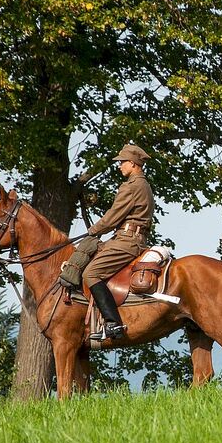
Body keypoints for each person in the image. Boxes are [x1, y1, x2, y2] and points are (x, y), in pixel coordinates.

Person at [83, 144, 155, 339]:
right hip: (133, 237)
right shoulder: (145, 184)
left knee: (91, 273)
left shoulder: (131, 186)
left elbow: (113, 217)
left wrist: (93, 230)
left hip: (127, 240)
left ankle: (113, 323)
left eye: (122, 162)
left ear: (133, 163)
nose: (119, 166)